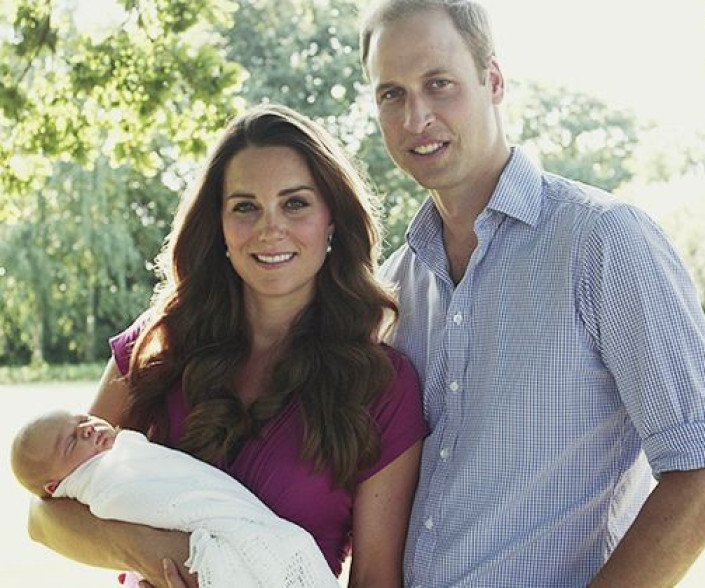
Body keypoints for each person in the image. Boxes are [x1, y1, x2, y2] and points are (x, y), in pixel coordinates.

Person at [359, 1, 705, 586]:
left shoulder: (603, 241)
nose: (416, 118)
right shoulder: (392, 286)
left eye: (439, 84)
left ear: (494, 81)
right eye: (392, 94)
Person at [27, 104, 428, 588]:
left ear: (332, 222)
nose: (269, 228)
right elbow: (46, 517)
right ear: (218, 225)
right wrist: (163, 556)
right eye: (245, 206)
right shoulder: (160, 342)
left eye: (295, 203)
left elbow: (375, 578)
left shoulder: (382, 385)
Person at [11, 410, 337, 587]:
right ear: (55, 486)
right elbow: (40, 519)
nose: (85, 430)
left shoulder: (123, 451)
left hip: (257, 532)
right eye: (70, 443)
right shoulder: (104, 483)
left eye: (81, 420)